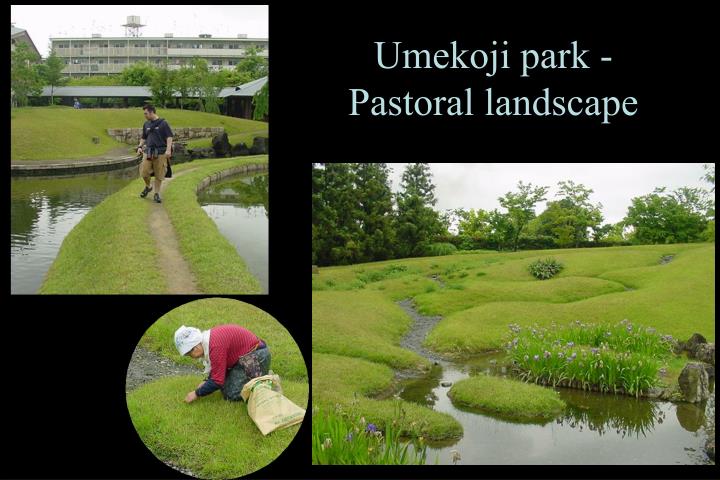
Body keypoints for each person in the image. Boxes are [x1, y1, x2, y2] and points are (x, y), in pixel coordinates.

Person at [174, 324, 271, 404]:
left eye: (189, 354)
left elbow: (217, 381)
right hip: (243, 358)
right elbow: (218, 366)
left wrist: (196, 393)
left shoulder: (215, 346)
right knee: (223, 386)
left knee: (231, 394)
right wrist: (207, 381)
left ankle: (262, 378)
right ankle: (258, 375)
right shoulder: (209, 340)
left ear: (195, 348)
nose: (192, 357)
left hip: (257, 356)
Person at [137, 104, 174, 203]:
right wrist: (140, 146)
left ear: (152, 112)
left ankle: (156, 194)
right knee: (144, 172)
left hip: (161, 152)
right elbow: (144, 137)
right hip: (148, 152)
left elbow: (169, 137)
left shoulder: (163, 123)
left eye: (146, 113)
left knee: (159, 174)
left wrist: (168, 150)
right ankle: (148, 186)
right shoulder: (146, 124)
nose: (144, 115)